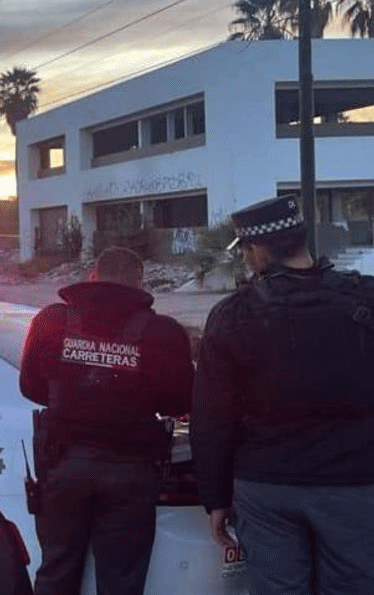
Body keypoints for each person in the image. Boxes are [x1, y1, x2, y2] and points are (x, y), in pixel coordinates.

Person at [192, 194, 374, 595]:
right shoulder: (365, 300)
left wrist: (216, 497)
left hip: (267, 488)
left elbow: (212, 418)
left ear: (256, 250)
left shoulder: (232, 314)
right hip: (354, 484)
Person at [19, 246, 194, 595]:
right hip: (131, 472)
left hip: (63, 466)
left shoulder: (51, 320)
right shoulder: (164, 332)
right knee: (121, 580)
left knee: (56, 571)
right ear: (140, 282)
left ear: (93, 275)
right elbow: (181, 401)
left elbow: (30, 386)